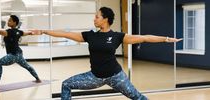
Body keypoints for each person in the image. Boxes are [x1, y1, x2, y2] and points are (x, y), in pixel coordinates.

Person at [31, 7, 181, 100]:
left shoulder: (117, 36)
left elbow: (145, 37)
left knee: (137, 97)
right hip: (95, 77)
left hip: (117, 76)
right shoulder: (90, 35)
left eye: (97, 16)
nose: (94, 19)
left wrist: (167, 39)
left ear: (105, 19)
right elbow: (65, 34)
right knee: (66, 85)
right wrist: (44, 31)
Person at [0, 15, 41, 90]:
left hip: (13, 55)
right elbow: (27, 33)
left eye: (10, 21)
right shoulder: (18, 32)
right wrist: (34, 32)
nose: (8, 22)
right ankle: (38, 79)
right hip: (19, 54)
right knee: (28, 67)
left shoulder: (8, 32)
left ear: (15, 23)